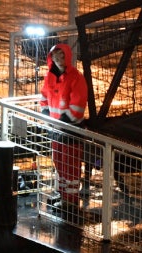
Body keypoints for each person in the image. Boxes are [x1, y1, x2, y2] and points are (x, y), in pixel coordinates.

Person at [40, 43, 88, 210]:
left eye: (62, 56)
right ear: (51, 58)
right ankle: (63, 195)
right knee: (59, 162)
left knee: (70, 165)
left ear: (67, 57)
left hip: (69, 129)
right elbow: (44, 96)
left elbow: (78, 104)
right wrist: (46, 113)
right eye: (56, 56)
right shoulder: (50, 76)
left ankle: (70, 200)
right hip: (56, 128)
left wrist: (63, 120)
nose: (59, 60)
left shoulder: (76, 77)